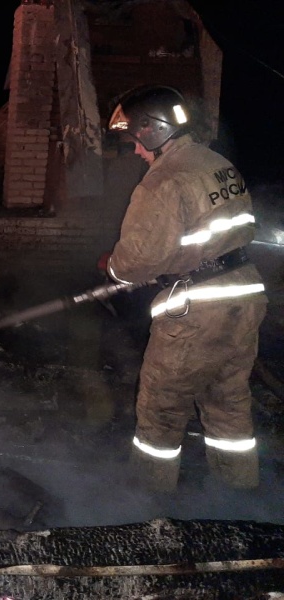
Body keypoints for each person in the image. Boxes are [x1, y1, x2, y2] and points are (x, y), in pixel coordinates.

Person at [101, 85, 268, 492]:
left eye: (136, 141)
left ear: (152, 131)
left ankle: (149, 508)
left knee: (161, 411)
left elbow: (138, 258)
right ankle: (240, 501)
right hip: (244, 296)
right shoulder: (218, 165)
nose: (137, 151)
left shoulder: (163, 182)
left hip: (197, 310)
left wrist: (112, 268)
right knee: (228, 403)